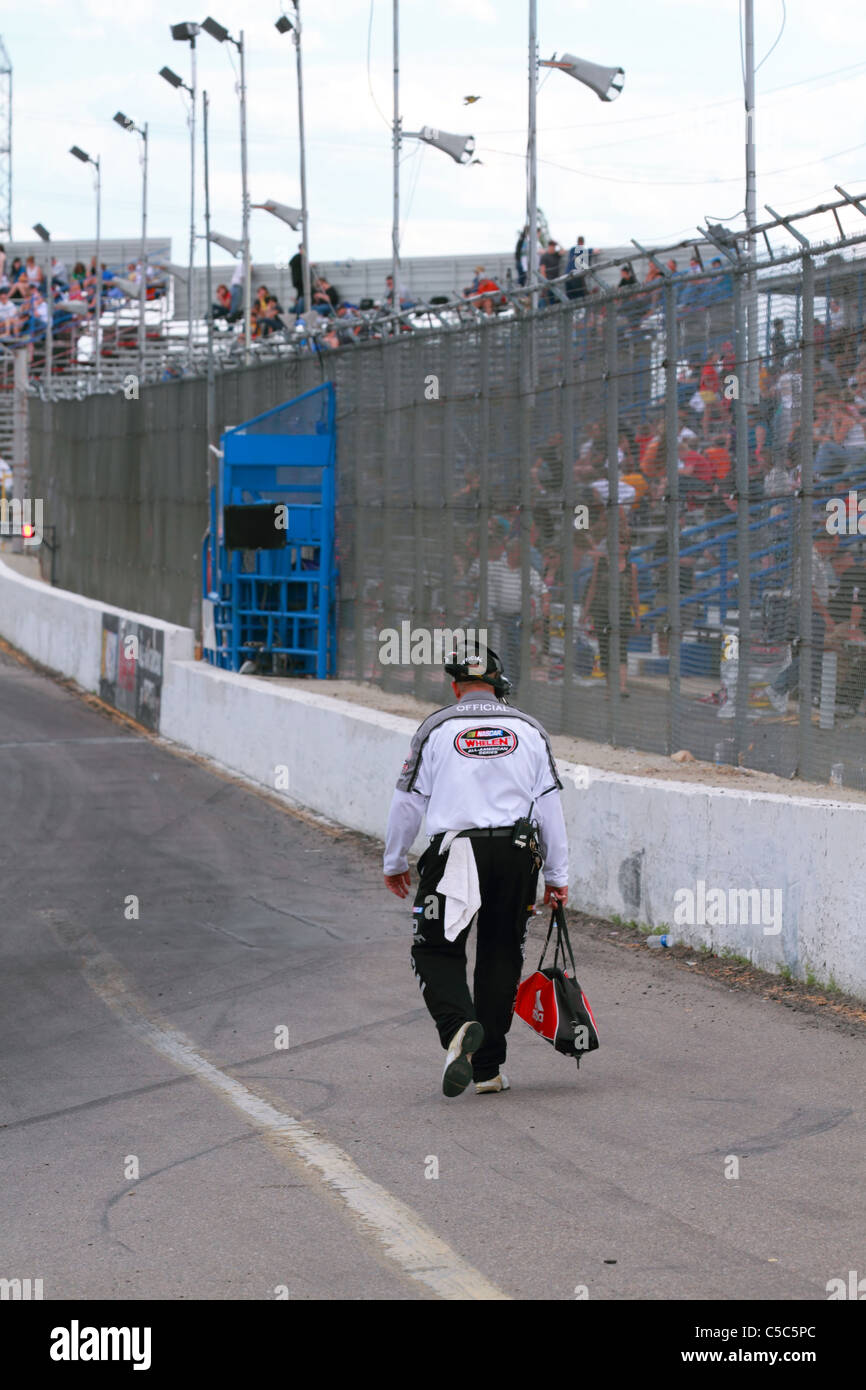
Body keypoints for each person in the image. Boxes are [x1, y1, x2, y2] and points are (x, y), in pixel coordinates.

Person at [383, 643, 569, 1097]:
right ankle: (487, 1070)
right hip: (518, 853)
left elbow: (407, 803)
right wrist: (558, 876)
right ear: (499, 682)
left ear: (455, 686)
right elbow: (550, 807)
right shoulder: (529, 729)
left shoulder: (436, 728)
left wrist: (395, 860)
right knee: (501, 955)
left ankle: (459, 1026)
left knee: (435, 950)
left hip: (455, 853)